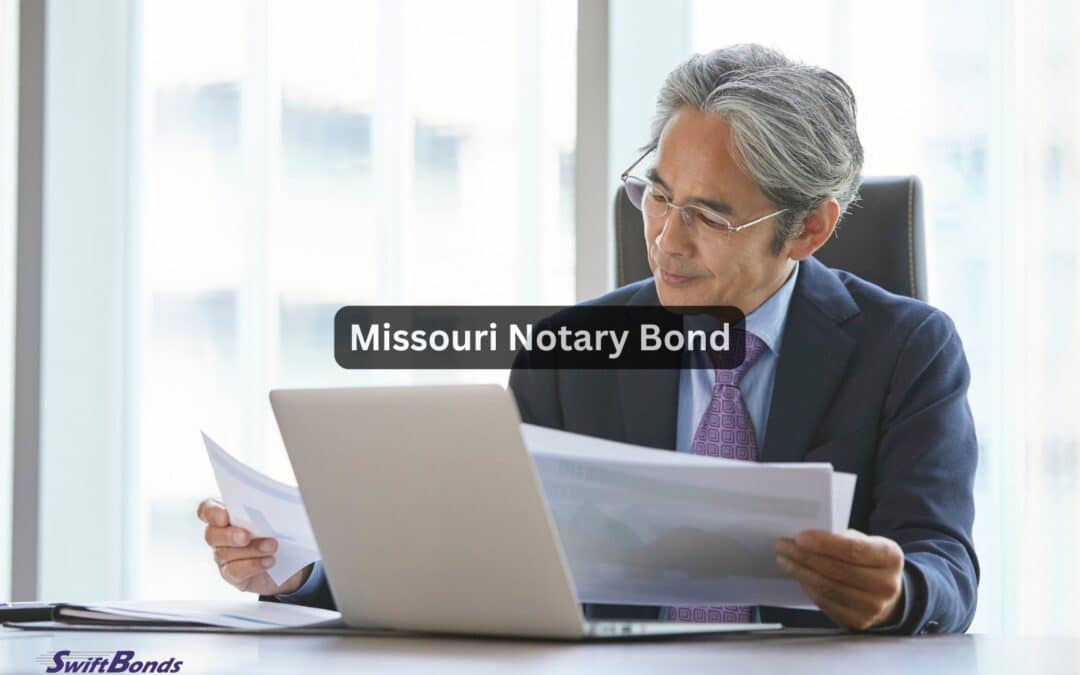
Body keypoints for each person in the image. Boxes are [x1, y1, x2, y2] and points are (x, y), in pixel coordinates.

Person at [196, 44, 978, 635]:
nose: (667, 240)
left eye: (708, 215)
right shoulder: (568, 350)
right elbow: (478, 560)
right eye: (657, 196)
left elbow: (944, 566)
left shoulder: (908, 350)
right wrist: (300, 568)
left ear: (809, 228)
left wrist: (899, 590)